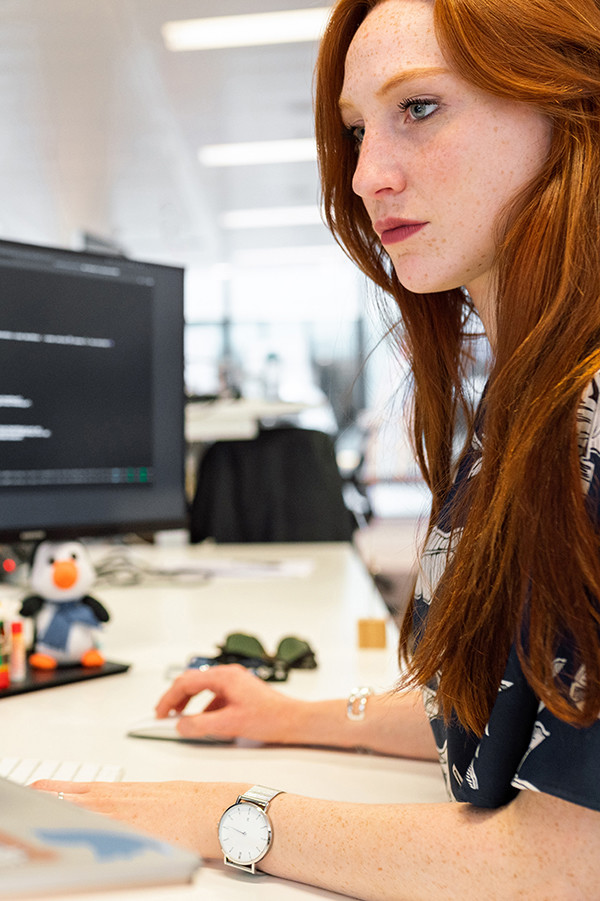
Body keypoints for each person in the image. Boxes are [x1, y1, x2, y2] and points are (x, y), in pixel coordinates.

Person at [34, 0, 600, 896]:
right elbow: (524, 719)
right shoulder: (527, 407)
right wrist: (294, 714)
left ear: (571, 104)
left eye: (420, 108)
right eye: (355, 129)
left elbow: (572, 861)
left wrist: (214, 814)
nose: (368, 172)